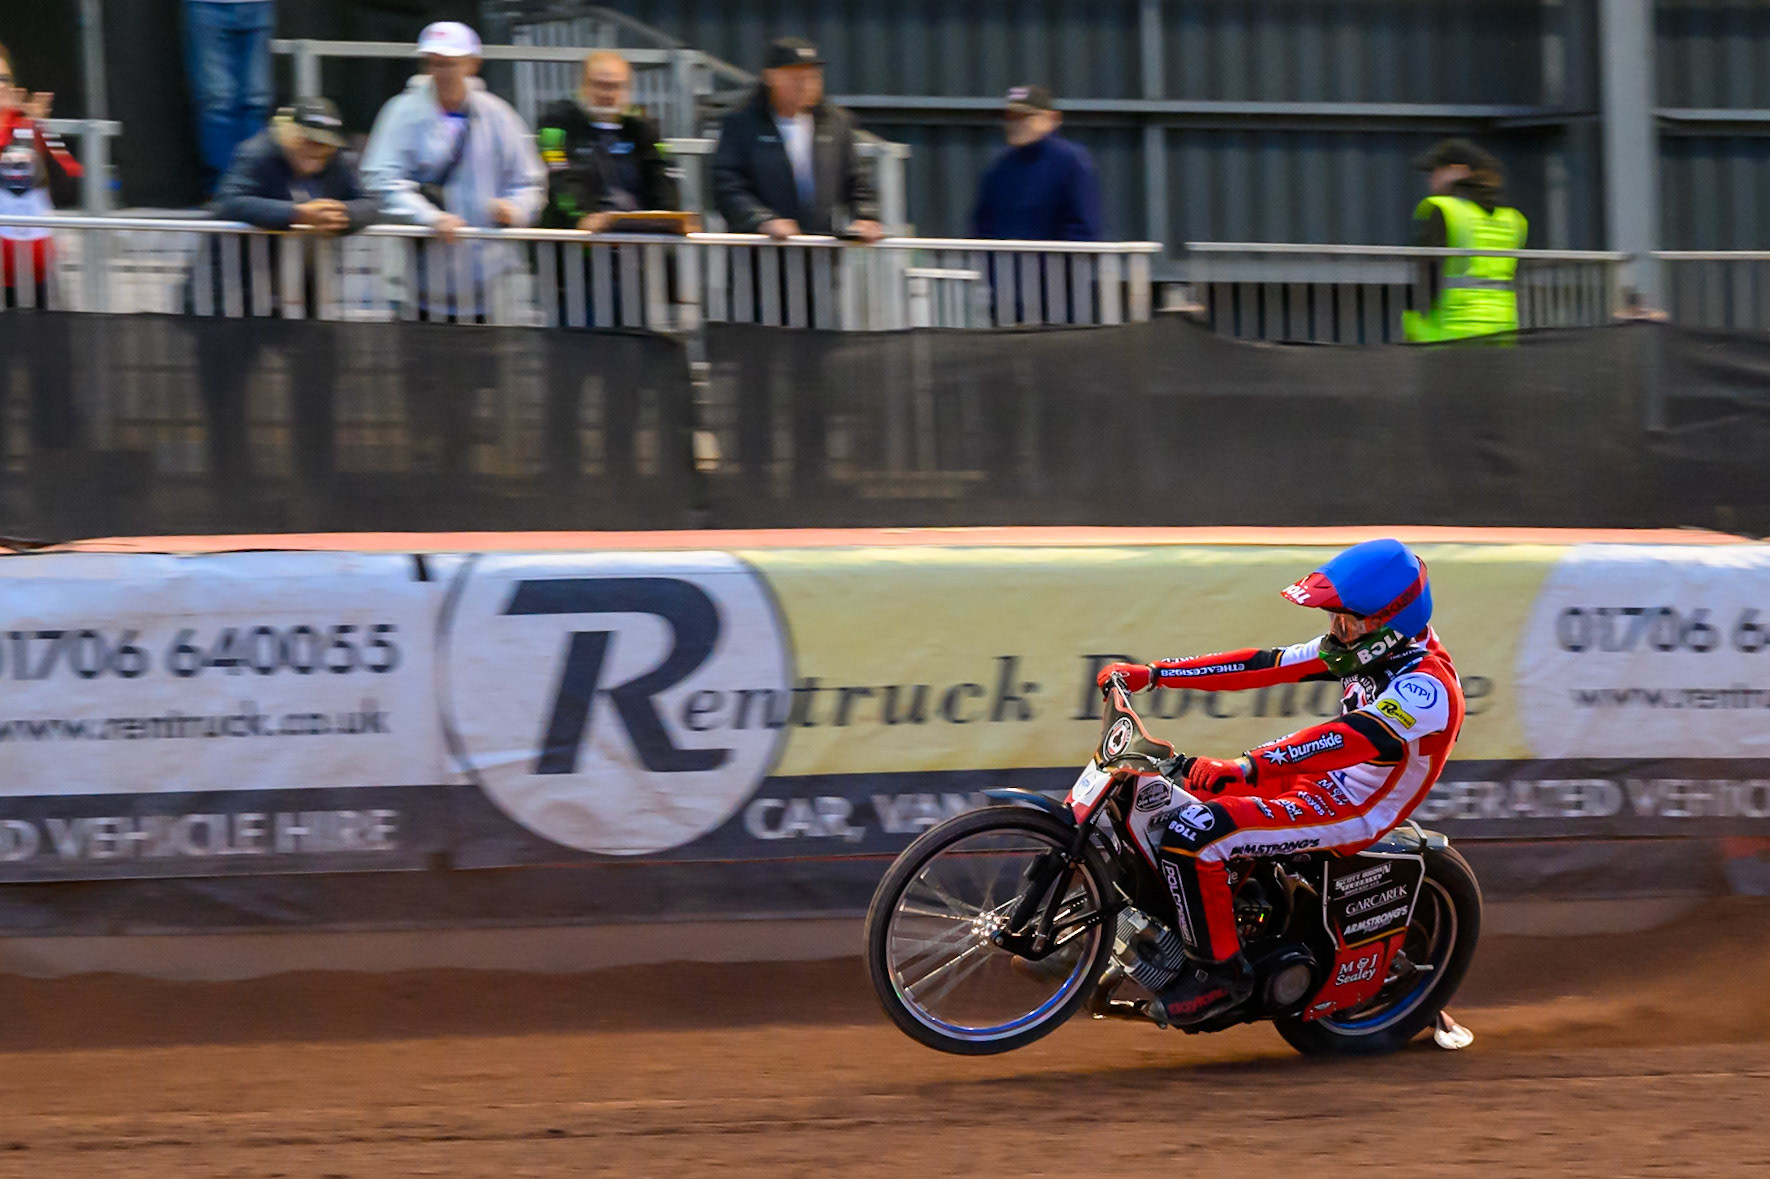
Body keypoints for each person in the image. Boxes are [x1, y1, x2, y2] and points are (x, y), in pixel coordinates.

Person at [1095, 539, 1465, 1027]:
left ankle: (1222, 978)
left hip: (1352, 808)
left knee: (1196, 836)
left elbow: (1346, 739)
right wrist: (1156, 674)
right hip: (1310, 781)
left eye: (1347, 621)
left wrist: (1248, 766)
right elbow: (1263, 664)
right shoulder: (1359, 650)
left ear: (1388, 623)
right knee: (1155, 792)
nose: (1336, 631)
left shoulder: (1427, 688)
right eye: (1333, 618)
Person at [360, 21, 546, 247]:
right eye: (435, 63)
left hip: (490, 260)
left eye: (450, 64)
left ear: (473, 64)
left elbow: (528, 181)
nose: (441, 73)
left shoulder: (498, 114)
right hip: (422, 258)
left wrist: (515, 209)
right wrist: (429, 217)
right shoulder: (401, 112)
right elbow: (381, 179)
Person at [712, 38, 883, 241]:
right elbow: (727, 184)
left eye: (812, 76)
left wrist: (866, 216)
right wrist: (761, 220)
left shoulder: (836, 123)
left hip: (819, 255)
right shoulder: (742, 124)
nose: (806, 84)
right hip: (758, 254)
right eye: (795, 77)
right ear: (770, 77)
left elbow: (858, 181)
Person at [537, 50, 680, 230]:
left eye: (615, 86)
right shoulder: (556, 126)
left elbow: (661, 176)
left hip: (634, 240)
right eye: (599, 85)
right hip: (575, 243)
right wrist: (581, 219)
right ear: (583, 86)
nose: (607, 94)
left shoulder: (642, 128)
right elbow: (560, 179)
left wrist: (669, 217)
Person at [1402, 138, 1528, 342]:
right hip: (1503, 330)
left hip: (1451, 331)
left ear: (1458, 170)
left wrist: (1414, 322)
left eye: (1436, 171)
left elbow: (1428, 276)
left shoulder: (1441, 210)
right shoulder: (1513, 220)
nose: (1430, 179)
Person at [210, 97, 377, 233]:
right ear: (288, 134)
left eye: (326, 143)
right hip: (241, 269)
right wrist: (296, 213)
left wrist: (341, 213)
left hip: (310, 269)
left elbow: (372, 203)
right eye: (309, 140)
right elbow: (228, 202)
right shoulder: (258, 152)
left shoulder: (338, 160)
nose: (318, 149)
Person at [0, 43, 82, 306]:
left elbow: (70, 181)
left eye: (4, 79)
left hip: (40, 275)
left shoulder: (31, 127)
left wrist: (35, 131)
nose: (1, 86)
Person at [970, 85, 1101, 241]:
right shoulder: (999, 168)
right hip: (1007, 264)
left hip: (1055, 264)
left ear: (1052, 119)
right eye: (1010, 118)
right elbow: (983, 227)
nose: (1015, 124)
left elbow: (1083, 228)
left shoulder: (1071, 162)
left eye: (1024, 117)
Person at [183, 0, 276, 192]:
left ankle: (255, 186)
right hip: (206, 5)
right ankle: (224, 190)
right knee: (217, 102)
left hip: (258, 5)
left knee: (255, 102)